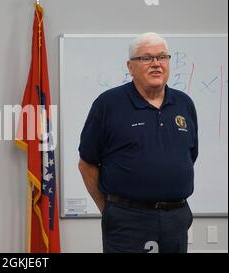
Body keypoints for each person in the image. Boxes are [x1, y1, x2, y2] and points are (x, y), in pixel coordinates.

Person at [78, 32, 198, 253]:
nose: (156, 64)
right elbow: (87, 164)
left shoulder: (184, 104)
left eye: (162, 57)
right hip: (128, 221)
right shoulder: (108, 104)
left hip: (176, 219)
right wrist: (109, 210)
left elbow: (189, 156)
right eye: (146, 58)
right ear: (130, 66)